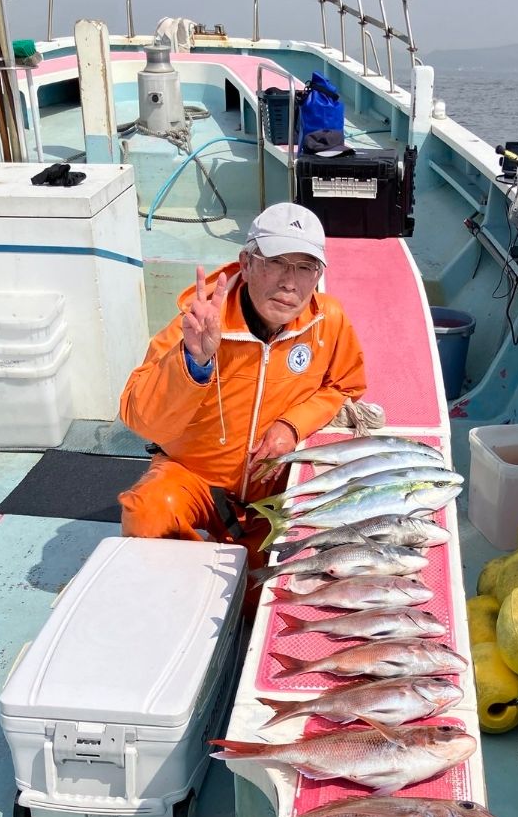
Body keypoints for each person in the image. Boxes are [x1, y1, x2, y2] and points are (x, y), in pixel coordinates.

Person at [118, 202, 366, 567]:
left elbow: (344, 386)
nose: (289, 282)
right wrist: (194, 361)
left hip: (279, 487)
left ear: (318, 275)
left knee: (268, 583)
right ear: (247, 264)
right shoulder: (198, 323)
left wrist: (291, 425)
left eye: (304, 267)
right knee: (147, 515)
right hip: (196, 477)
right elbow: (140, 419)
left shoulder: (328, 321)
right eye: (276, 262)